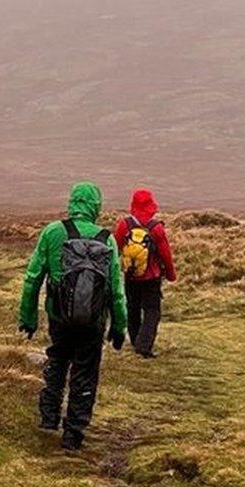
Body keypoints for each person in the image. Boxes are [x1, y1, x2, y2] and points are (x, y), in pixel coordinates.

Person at [19, 181, 127, 451]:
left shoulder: (53, 233)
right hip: (93, 320)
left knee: (58, 359)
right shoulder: (107, 239)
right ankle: (74, 432)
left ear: (72, 203)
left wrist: (28, 317)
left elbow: (32, 279)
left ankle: (48, 417)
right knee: (85, 371)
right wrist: (119, 327)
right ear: (95, 206)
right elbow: (116, 290)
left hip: (60, 316)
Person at [114, 188, 177, 358]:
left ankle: (135, 341)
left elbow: (114, 249)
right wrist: (171, 274)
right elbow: (165, 254)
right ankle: (144, 345)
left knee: (132, 308)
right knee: (152, 311)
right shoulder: (155, 228)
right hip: (152, 277)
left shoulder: (124, 225)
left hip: (131, 275)